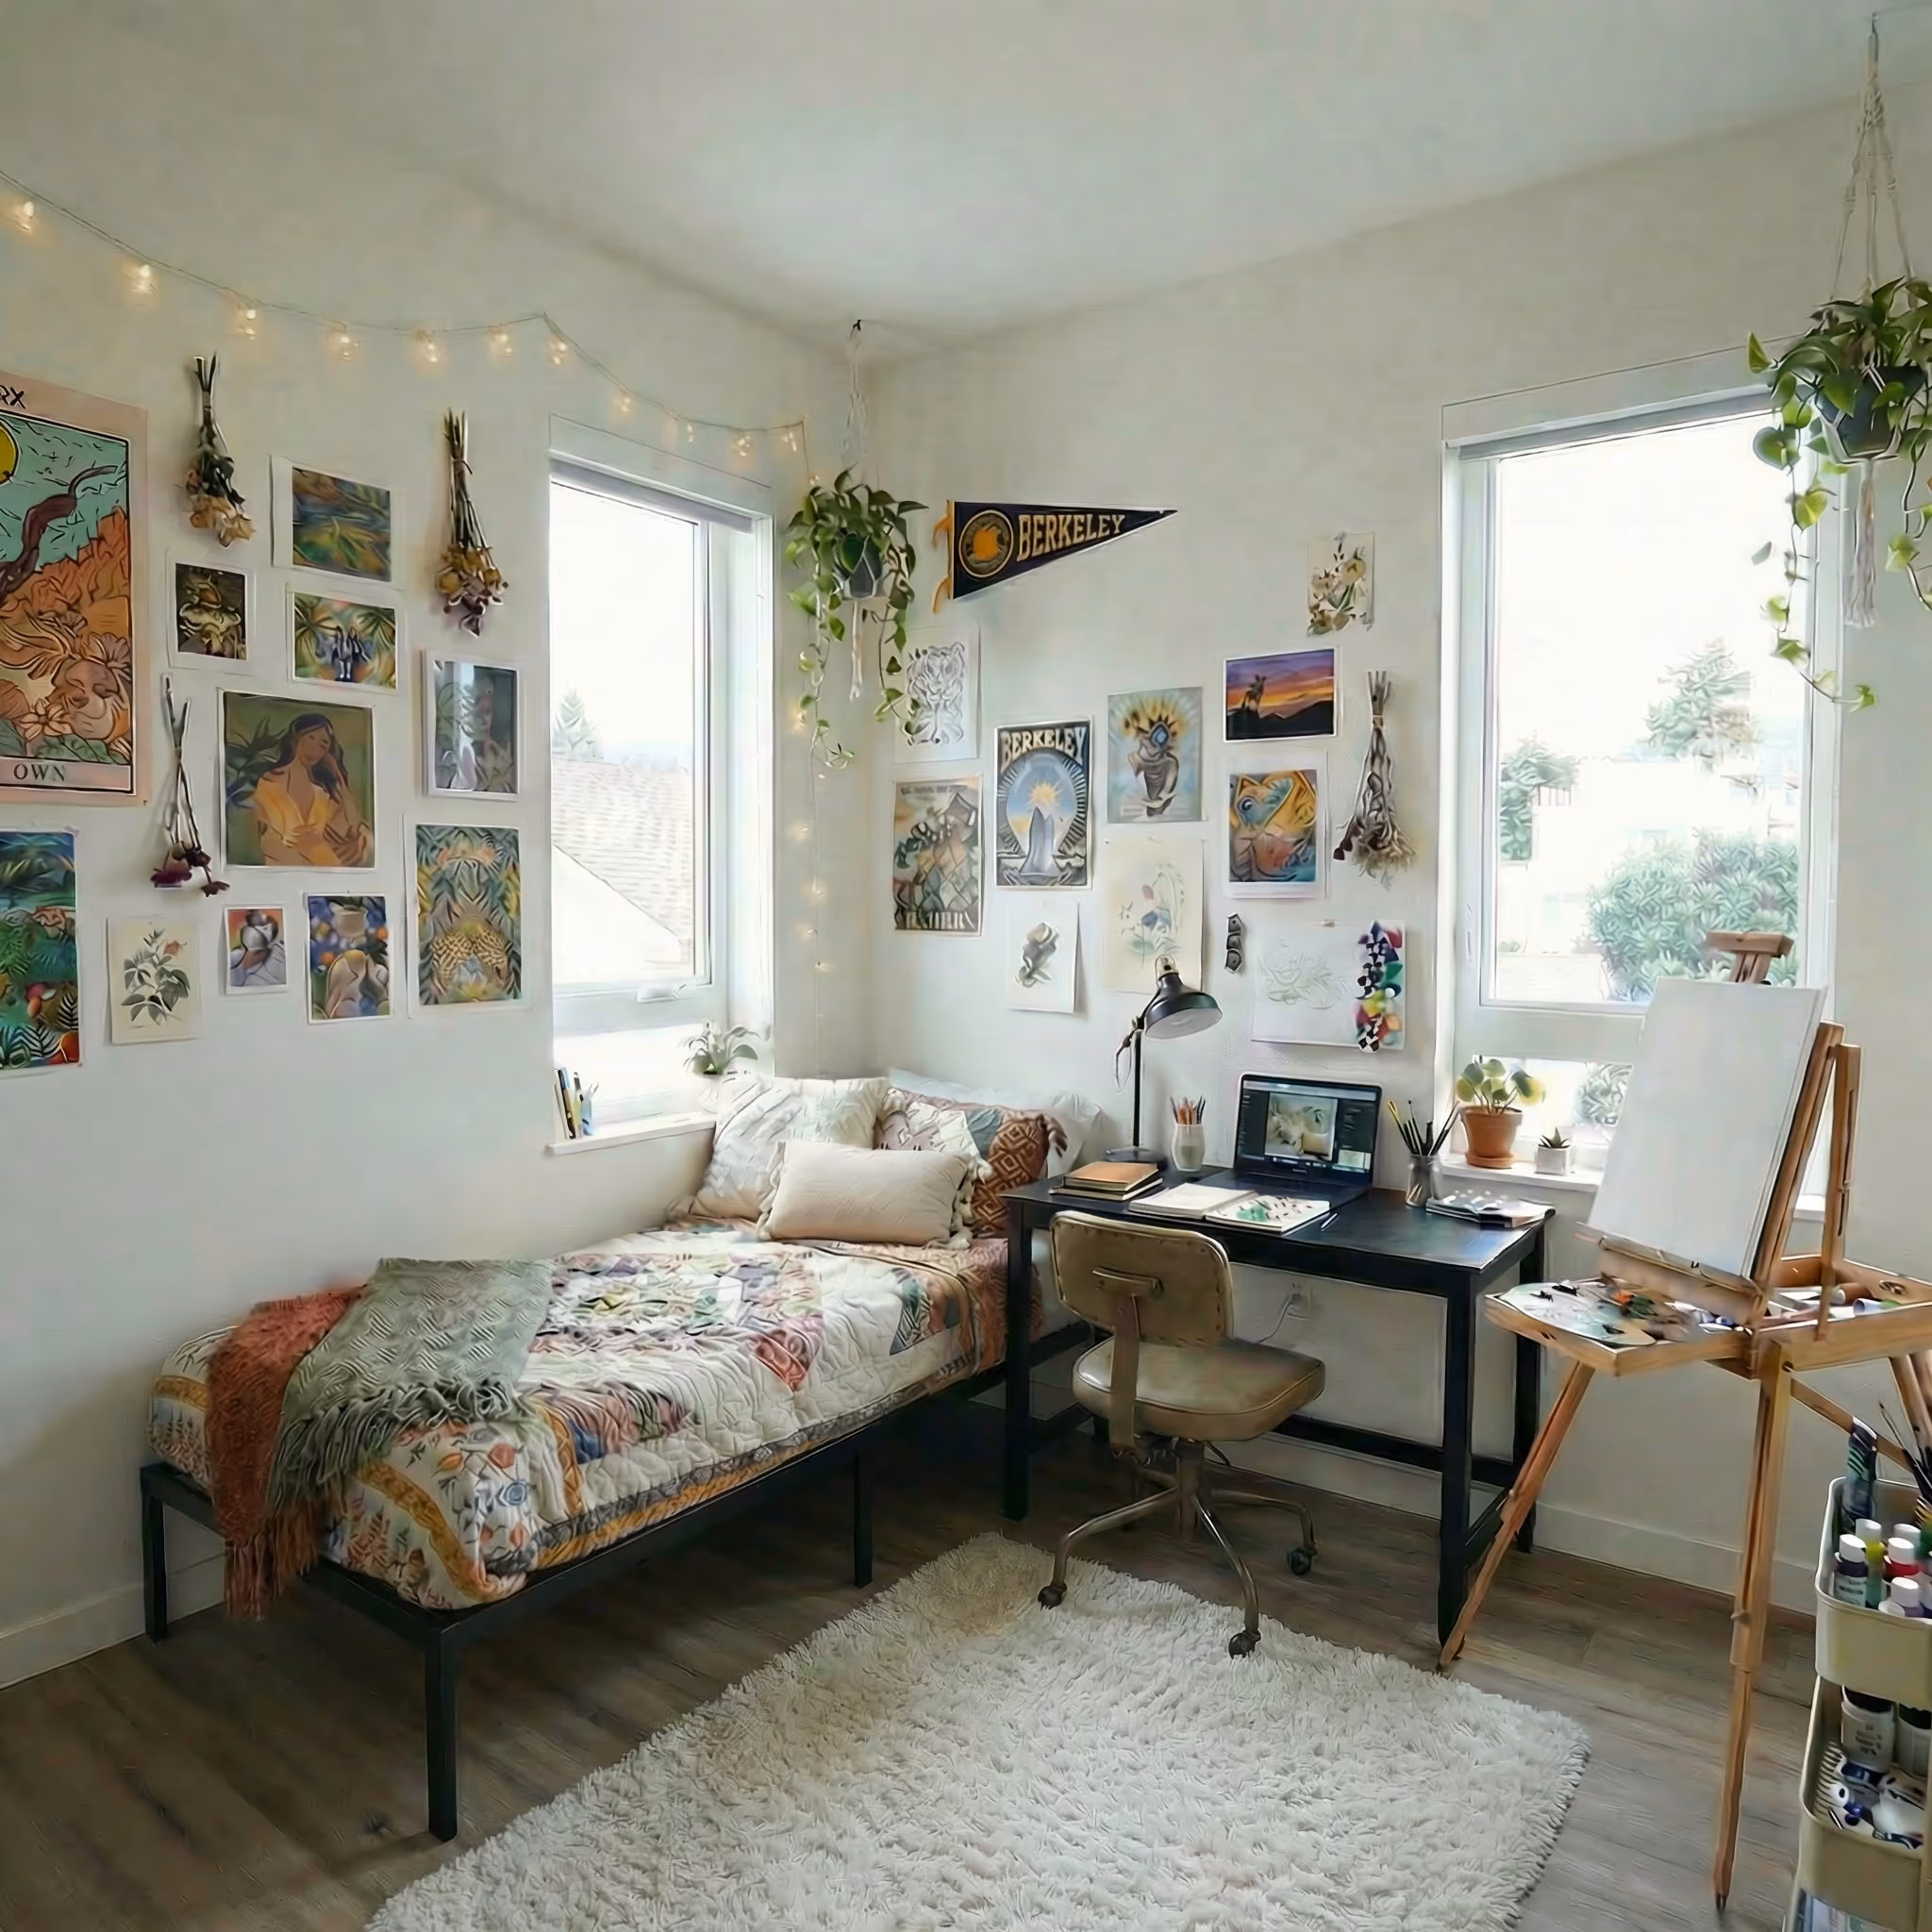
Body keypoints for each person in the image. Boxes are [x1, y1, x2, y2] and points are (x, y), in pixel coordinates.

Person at [250, 713, 372, 866]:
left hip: (318, 870)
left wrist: (339, 776)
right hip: (284, 871)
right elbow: (296, 836)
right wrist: (333, 865)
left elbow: (351, 828)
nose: (316, 748)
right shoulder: (271, 782)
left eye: (324, 744)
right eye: (311, 738)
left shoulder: (320, 792)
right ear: (296, 738)